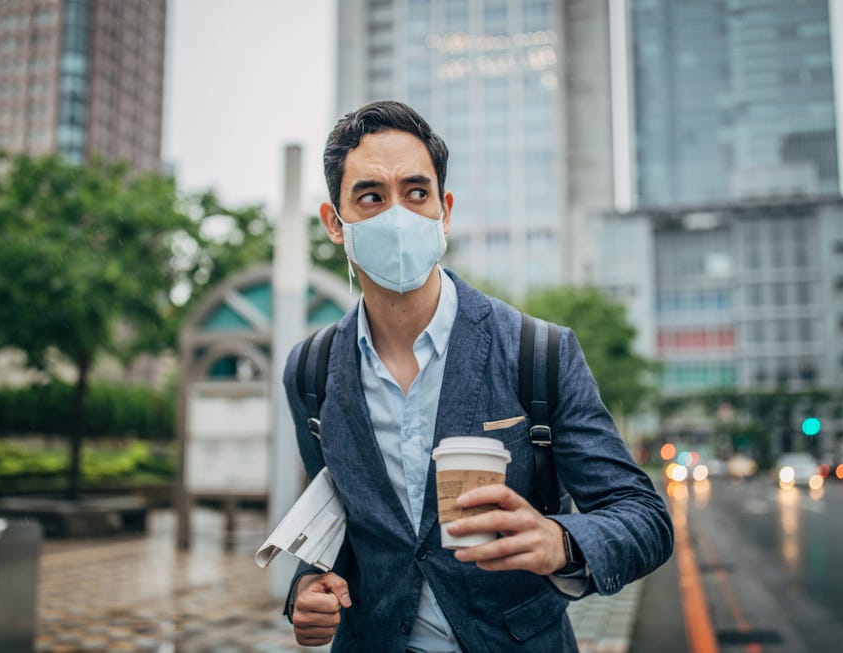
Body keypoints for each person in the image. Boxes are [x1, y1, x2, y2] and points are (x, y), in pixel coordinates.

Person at [281, 100, 673, 652]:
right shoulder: (311, 370)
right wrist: (307, 588)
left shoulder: (539, 354)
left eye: (416, 193)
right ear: (334, 223)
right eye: (370, 196)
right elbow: (337, 520)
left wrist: (560, 540)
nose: (397, 215)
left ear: (444, 211)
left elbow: (645, 519)